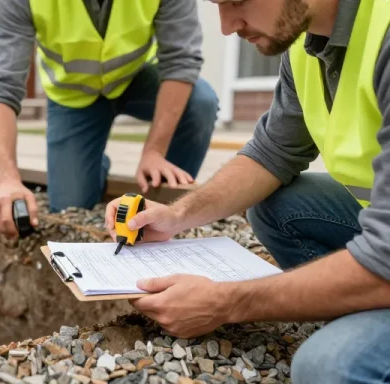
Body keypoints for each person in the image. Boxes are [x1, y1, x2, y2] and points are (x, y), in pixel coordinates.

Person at [104, 0, 390, 381]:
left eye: (236, 1)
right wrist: (177, 216)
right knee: (279, 205)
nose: (226, 26)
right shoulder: (309, 43)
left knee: (328, 366)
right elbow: (271, 153)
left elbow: (384, 258)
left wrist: (228, 302)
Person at [0, 0, 220, 239]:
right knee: (71, 209)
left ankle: (170, 206)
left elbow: (181, 61)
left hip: (135, 77)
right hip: (73, 94)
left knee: (200, 103)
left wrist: (155, 150)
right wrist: (6, 179)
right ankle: (93, 163)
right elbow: (0, 84)